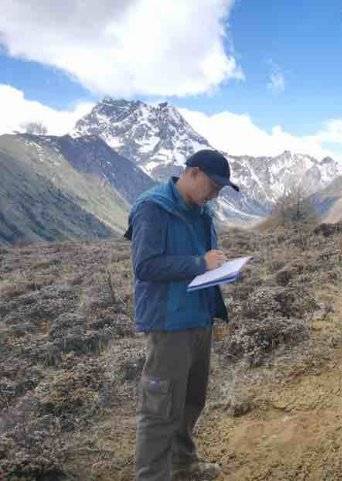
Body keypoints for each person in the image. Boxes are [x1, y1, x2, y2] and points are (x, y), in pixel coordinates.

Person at [125, 149, 239, 481]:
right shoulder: (153, 208)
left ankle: (183, 464)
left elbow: (205, 258)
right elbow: (145, 266)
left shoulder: (202, 212)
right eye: (213, 186)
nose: (215, 195)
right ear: (193, 173)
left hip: (198, 317)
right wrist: (200, 263)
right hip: (168, 322)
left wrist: (221, 266)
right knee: (160, 410)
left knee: (191, 400)